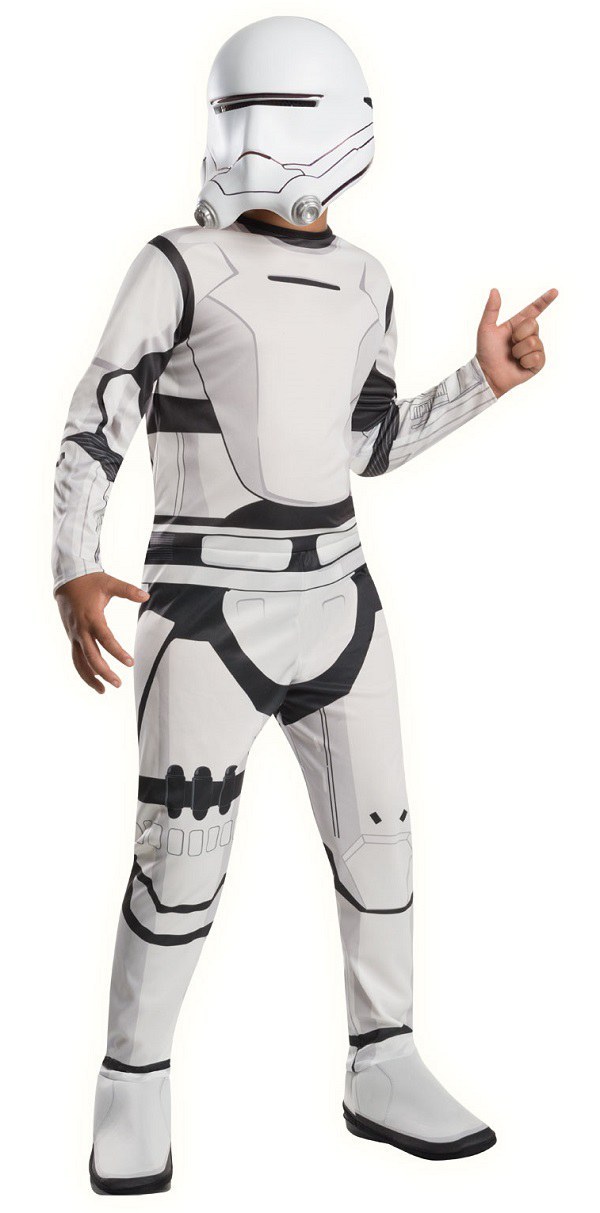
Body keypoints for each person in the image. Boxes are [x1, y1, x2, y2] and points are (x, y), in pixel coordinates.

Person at [52, 16, 556, 1194]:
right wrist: (71, 561)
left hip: (341, 599)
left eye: (263, 113)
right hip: (204, 610)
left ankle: (385, 1059)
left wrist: (481, 381)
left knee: (381, 838)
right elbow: (96, 419)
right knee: (180, 859)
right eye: (231, 112)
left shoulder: (370, 278)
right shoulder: (175, 263)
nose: (244, 140)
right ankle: (131, 1082)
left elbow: (365, 445)